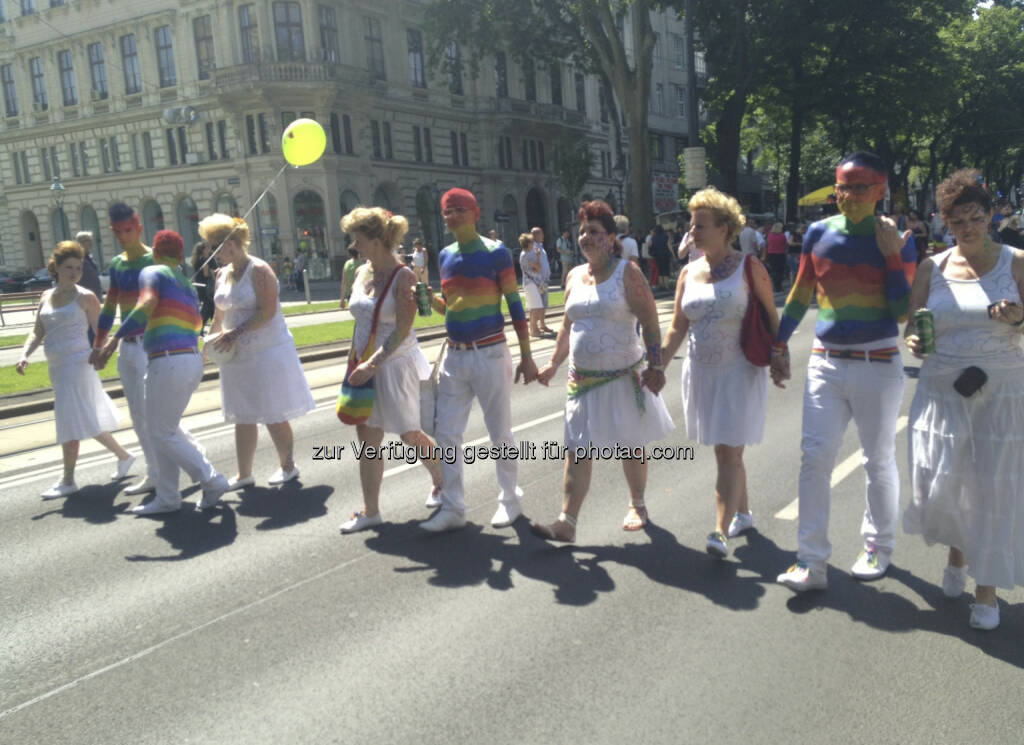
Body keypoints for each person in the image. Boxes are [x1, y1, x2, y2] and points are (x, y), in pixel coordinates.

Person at [773, 151, 916, 591]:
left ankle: (878, 545)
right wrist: (777, 342)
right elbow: (799, 294)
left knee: (878, 461)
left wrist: (892, 255)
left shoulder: (897, 239)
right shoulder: (818, 232)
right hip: (826, 362)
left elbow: (901, 311)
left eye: (858, 187)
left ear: (879, 191)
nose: (847, 195)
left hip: (878, 361)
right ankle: (810, 561)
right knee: (814, 459)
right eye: (841, 186)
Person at [903, 170, 1024, 631]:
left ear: (992, 215)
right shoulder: (932, 267)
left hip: (1003, 391)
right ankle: (957, 555)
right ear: (945, 221)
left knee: (993, 486)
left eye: (976, 217)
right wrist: (914, 341)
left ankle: (987, 589)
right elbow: (914, 324)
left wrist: (1017, 319)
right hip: (942, 388)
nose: (969, 227)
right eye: (959, 221)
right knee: (944, 481)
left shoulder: (1016, 262)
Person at [531, 200, 672, 542]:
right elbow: (567, 325)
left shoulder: (628, 273)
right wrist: (553, 361)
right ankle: (567, 522)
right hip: (582, 381)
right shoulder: (574, 276)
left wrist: (656, 364)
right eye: (582, 232)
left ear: (610, 237)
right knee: (578, 450)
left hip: (624, 377)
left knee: (630, 445)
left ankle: (637, 504)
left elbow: (651, 321)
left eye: (594, 232)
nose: (586, 238)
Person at [661, 188, 780, 557]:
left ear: (725, 228)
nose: (692, 233)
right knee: (727, 451)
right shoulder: (688, 272)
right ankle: (742, 512)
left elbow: (772, 316)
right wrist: (657, 366)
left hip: (738, 372)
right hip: (702, 373)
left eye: (700, 226)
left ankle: (719, 531)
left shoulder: (750, 267)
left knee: (728, 454)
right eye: (691, 225)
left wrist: (780, 355)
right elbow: (678, 326)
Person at [420, 188, 538, 532]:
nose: (451, 216)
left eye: (458, 210)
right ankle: (454, 507)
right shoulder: (444, 255)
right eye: (447, 211)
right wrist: (431, 301)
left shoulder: (496, 253)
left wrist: (527, 356)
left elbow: (515, 305)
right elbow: (451, 304)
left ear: (475, 213)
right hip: (455, 356)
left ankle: (510, 501)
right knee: (446, 434)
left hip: (489, 352)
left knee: (499, 431)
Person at [98, 230, 229, 514]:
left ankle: (210, 478)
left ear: (155, 253)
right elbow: (196, 323)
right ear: (180, 256)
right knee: (164, 429)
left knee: (160, 431)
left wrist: (113, 340)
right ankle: (168, 498)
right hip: (189, 360)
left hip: (167, 361)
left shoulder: (152, 271)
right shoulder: (185, 282)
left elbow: (146, 305)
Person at [336, 208, 444, 532]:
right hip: (363, 359)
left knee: (409, 432)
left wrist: (372, 364)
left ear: (378, 240)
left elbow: (401, 331)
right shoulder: (360, 272)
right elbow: (360, 322)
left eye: (359, 239)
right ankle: (371, 511)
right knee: (367, 435)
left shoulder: (404, 277)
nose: (355, 246)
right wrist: (354, 361)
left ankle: (444, 481)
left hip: (395, 364)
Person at [202, 214, 316, 489]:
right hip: (235, 356)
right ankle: (244, 474)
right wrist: (211, 340)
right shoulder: (223, 274)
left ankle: (288, 467)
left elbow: (268, 312)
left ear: (230, 243)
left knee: (273, 412)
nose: (209, 252)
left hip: (267, 351)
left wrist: (234, 333)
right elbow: (220, 315)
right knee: (242, 414)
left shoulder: (260, 270)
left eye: (213, 246)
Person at [16, 241, 135, 499]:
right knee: (84, 418)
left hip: (78, 364)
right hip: (57, 366)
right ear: (56, 268)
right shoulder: (46, 296)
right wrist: (25, 354)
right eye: (69, 267)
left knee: (70, 420)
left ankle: (68, 479)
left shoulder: (86, 297)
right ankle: (124, 456)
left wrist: (98, 351)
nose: (74, 272)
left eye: (78, 268)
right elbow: (38, 331)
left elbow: (101, 329)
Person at [91, 202, 158, 496]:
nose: (122, 236)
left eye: (127, 230)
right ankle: (161, 469)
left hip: (151, 345)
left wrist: (110, 341)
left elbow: (149, 308)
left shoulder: (154, 261)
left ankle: (169, 469)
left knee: (155, 414)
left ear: (139, 227)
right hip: (128, 348)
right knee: (139, 415)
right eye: (117, 232)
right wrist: (98, 343)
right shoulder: (117, 264)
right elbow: (110, 306)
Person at [519, 233, 550, 338]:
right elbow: (538, 268)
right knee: (536, 307)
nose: (533, 244)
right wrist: (537, 257)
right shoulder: (526, 255)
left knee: (534, 307)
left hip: (530, 282)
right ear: (528, 243)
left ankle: (533, 329)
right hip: (531, 283)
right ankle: (533, 329)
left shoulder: (524, 253)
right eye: (532, 242)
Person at [190, 240, 216, 333]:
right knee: (208, 305)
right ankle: (199, 327)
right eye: (207, 247)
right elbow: (206, 275)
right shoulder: (202, 260)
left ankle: (211, 326)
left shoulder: (210, 259)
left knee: (210, 307)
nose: (210, 249)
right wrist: (208, 270)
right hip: (205, 286)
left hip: (205, 285)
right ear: (203, 250)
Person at [74, 231, 103, 300]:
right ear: (79, 243)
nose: (90, 243)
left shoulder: (90, 259)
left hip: (95, 298)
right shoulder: (76, 259)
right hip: (84, 299)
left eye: (91, 240)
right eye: (87, 241)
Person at [763, 222, 789, 292]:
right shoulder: (782, 236)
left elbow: (767, 244)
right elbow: (786, 244)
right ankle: (779, 286)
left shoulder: (770, 235)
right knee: (780, 271)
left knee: (774, 271)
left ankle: (775, 286)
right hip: (780, 254)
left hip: (771, 254)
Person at [649, 224, 672, 290]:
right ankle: (666, 286)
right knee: (666, 271)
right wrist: (673, 254)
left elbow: (650, 246)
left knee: (660, 271)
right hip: (665, 255)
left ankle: (661, 285)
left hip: (657, 256)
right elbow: (669, 246)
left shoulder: (653, 237)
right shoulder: (666, 236)